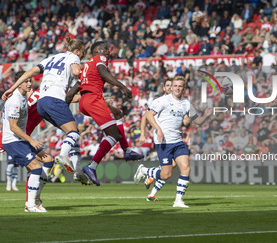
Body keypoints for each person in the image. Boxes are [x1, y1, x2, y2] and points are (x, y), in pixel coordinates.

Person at [2, 38, 86, 174]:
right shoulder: (73, 57)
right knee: (73, 132)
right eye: (82, 52)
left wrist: (11, 88)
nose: (82, 55)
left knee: (72, 133)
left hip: (43, 103)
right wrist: (91, 76)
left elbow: (29, 72)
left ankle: (77, 170)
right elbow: (77, 72)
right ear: (77, 51)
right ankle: (64, 157)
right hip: (52, 102)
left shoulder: (51, 58)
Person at [134, 76, 212, 208]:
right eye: (175, 85)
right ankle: (144, 170)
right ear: (172, 87)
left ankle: (178, 201)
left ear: (184, 88)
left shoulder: (186, 103)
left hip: (177, 141)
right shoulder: (162, 101)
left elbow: (197, 121)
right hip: (163, 142)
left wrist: (206, 115)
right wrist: (158, 129)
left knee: (186, 168)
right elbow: (148, 115)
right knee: (166, 175)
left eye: (180, 86)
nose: (177, 88)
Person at [76, 41, 143, 186]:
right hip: (93, 99)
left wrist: (66, 102)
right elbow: (104, 74)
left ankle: (127, 150)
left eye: (108, 49)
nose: (108, 52)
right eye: (105, 49)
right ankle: (92, 167)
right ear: (96, 51)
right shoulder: (100, 59)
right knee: (113, 135)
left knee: (117, 114)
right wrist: (123, 87)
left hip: (84, 101)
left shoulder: (85, 67)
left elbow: (75, 89)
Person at [1, 72, 53, 212]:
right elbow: (13, 127)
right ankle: (30, 204)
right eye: (26, 81)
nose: (30, 83)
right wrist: (31, 140)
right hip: (12, 140)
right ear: (19, 82)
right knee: (36, 167)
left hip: (20, 140)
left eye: (30, 81)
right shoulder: (15, 101)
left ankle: (34, 199)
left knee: (48, 160)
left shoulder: (24, 96)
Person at [139, 79, 191, 201]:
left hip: (175, 139)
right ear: (166, 87)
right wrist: (142, 134)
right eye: (168, 85)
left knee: (172, 167)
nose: (170, 87)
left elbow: (185, 121)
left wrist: (187, 120)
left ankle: (152, 192)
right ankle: (149, 173)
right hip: (161, 138)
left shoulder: (181, 103)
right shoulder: (159, 101)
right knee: (167, 170)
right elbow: (146, 116)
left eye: (170, 85)